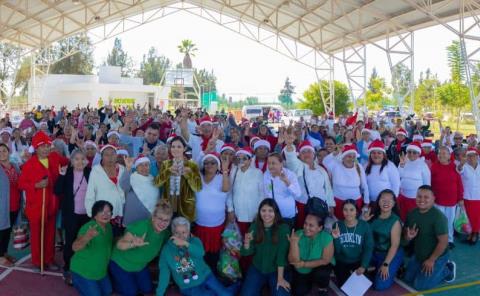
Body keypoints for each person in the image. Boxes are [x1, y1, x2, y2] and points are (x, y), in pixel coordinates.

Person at [18, 131, 69, 271]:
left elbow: (69, 162)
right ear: (36, 148)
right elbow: (21, 184)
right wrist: (36, 185)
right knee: (36, 235)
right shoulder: (29, 164)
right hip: (35, 207)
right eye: (42, 146)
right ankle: (37, 261)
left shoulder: (54, 157)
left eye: (48, 145)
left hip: (51, 205)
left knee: (50, 235)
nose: (46, 148)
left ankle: (49, 259)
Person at [156, 216, 236, 296]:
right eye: (177, 232)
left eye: (184, 232)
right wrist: (159, 294)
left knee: (226, 294)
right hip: (189, 287)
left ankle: (234, 287)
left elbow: (201, 253)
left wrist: (185, 244)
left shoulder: (194, 241)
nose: (180, 236)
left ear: (188, 232)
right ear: (172, 233)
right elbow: (164, 274)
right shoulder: (166, 250)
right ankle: (233, 287)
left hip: (206, 276)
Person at [110, 201, 173, 296]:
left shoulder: (164, 233)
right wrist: (133, 244)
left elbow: (174, 239)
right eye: (160, 218)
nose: (162, 223)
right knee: (131, 292)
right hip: (121, 263)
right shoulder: (142, 227)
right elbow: (120, 245)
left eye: (166, 220)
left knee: (147, 289)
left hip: (140, 266)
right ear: (153, 217)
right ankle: (113, 280)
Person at [402, 185, 456, 290]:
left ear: (433, 199)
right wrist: (408, 237)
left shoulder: (438, 217)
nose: (422, 200)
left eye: (426, 197)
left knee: (420, 285)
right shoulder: (411, 214)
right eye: (419, 196)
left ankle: (447, 269)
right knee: (407, 278)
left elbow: (443, 242)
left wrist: (431, 260)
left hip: (436, 256)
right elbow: (405, 236)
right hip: (419, 254)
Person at [54, 150, 92, 285]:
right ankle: (68, 268)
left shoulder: (90, 172)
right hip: (71, 214)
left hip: (87, 215)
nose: (80, 161)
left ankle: (82, 266)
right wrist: (61, 175)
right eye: (76, 159)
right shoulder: (67, 173)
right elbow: (57, 191)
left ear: (86, 161)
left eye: (82, 159)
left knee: (85, 241)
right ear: (71, 161)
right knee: (70, 242)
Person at [240, 199, 291, 296]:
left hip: (276, 270)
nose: (266, 214)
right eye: (263, 210)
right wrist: (246, 243)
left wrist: (280, 279)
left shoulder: (283, 229)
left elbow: (281, 256)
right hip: (257, 268)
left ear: (275, 212)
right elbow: (246, 253)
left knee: (281, 294)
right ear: (259, 212)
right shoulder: (254, 227)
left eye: (270, 211)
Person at [283, 134, 334, 228]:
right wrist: (289, 145)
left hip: (320, 206)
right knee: (303, 231)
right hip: (303, 207)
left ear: (314, 154)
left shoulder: (321, 169)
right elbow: (291, 160)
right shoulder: (298, 166)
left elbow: (327, 188)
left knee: (318, 231)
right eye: (303, 152)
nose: (306, 154)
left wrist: (330, 205)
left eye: (309, 151)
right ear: (299, 155)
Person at [194, 152, 230, 270]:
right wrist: (205, 150)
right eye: (206, 162)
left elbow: (225, 189)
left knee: (213, 256)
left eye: (213, 162)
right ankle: (201, 276)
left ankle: (211, 277)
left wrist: (224, 170)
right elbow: (193, 164)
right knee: (200, 254)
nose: (209, 165)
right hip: (200, 224)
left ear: (218, 165)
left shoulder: (222, 178)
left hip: (216, 225)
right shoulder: (198, 176)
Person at [70, 200, 114, 296]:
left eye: (108, 211)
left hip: (100, 271)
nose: (105, 214)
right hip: (83, 271)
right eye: (101, 211)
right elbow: (75, 247)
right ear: (94, 215)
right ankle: (75, 280)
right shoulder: (88, 228)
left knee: (108, 291)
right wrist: (87, 237)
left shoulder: (109, 227)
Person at [154, 136, 202, 222]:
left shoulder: (192, 165)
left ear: (185, 148)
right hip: (168, 208)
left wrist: (189, 174)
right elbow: (157, 183)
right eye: (173, 146)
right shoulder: (165, 164)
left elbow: (198, 187)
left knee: (183, 233)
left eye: (179, 147)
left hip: (186, 209)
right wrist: (168, 172)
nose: (175, 149)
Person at [363, 189, 403, 291]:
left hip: (389, 254)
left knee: (379, 286)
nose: (386, 202)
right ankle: (374, 268)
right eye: (383, 199)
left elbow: (394, 246)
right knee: (356, 267)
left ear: (394, 203)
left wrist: (386, 264)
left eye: (390, 200)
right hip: (373, 252)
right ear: (378, 201)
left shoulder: (395, 221)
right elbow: (364, 237)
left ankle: (394, 267)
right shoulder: (372, 215)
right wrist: (364, 222)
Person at [288, 213, 334, 296]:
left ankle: (322, 288)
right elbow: (293, 261)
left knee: (322, 273)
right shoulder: (297, 234)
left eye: (311, 225)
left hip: (318, 267)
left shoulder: (326, 237)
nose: (306, 227)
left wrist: (304, 264)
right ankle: (308, 282)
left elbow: (325, 260)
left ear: (320, 228)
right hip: (302, 270)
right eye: (305, 223)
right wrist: (294, 243)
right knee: (299, 292)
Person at [85, 144, 126, 237]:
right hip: (101, 213)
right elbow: (90, 193)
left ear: (116, 155)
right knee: (102, 240)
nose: (110, 157)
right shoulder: (96, 170)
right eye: (107, 155)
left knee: (115, 239)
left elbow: (125, 189)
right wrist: (91, 214)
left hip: (118, 213)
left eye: (112, 154)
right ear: (102, 156)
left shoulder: (122, 169)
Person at [331, 199, 374, 287]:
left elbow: (368, 247)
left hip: (358, 260)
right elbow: (337, 251)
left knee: (361, 286)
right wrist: (336, 239)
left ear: (356, 212)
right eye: (345, 210)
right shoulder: (337, 225)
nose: (348, 213)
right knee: (344, 286)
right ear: (342, 211)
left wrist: (363, 266)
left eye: (351, 210)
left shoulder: (364, 226)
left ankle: (368, 269)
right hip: (342, 260)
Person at [323, 144, 370, 219]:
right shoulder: (335, 165)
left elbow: (364, 186)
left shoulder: (359, 167)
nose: (351, 159)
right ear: (343, 157)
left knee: (353, 224)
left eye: (353, 157)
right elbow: (325, 161)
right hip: (338, 203)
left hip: (356, 203)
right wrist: (336, 152)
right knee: (340, 225)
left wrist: (366, 203)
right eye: (348, 156)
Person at [430, 146, 464, 248]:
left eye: (444, 153)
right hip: (438, 200)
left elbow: (459, 184)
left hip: (451, 201)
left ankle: (449, 240)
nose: (441, 155)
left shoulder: (455, 167)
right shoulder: (434, 166)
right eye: (440, 153)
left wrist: (460, 198)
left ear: (449, 156)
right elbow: (430, 183)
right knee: (438, 221)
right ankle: (438, 240)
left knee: (449, 221)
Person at [227, 147, 264, 236]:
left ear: (250, 160)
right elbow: (229, 192)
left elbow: (262, 194)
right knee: (238, 240)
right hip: (237, 214)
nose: (241, 161)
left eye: (244, 158)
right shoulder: (234, 172)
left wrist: (259, 212)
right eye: (239, 158)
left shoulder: (258, 173)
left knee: (252, 238)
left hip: (254, 215)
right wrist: (230, 210)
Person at [263, 152, 301, 227]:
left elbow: (298, 194)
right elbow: (266, 193)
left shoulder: (290, 175)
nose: (270, 166)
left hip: (286, 215)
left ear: (281, 164)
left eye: (273, 163)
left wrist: (287, 181)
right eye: (269, 163)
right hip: (271, 216)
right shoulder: (266, 174)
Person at [121, 155, 159, 226]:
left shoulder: (153, 180)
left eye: (146, 165)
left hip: (148, 218)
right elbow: (124, 186)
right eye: (140, 165)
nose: (144, 167)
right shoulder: (132, 177)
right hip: (133, 218)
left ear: (149, 167)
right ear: (136, 167)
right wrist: (128, 169)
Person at [398, 142, 431, 221]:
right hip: (403, 196)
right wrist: (401, 165)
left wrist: (426, 197)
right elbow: (398, 176)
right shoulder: (403, 161)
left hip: (416, 199)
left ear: (418, 153)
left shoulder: (423, 165)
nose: (411, 154)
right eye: (409, 152)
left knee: (414, 218)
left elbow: (427, 183)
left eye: (414, 152)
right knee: (402, 216)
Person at [0, 143, 21, 266]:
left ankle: (4, 251)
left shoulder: (14, 166)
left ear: (9, 152)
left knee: (8, 231)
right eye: (0, 151)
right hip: (2, 206)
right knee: (1, 231)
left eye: (4, 150)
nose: (2, 153)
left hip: (15, 204)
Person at [364, 140, 400, 205]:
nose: (376, 155)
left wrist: (393, 200)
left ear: (383, 154)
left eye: (379, 153)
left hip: (386, 202)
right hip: (370, 201)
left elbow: (396, 184)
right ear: (370, 154)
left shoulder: (390, 165)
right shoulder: (366, 166)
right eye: (373, 153)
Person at [457, 147, 480, 244]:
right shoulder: (464, 166)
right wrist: (461, 163)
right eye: (469, 156)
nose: (471, 158)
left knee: (477, 216)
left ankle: (475, 233)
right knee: (468, 216)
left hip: (478, 196)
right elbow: (459, 170)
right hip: (467, 196)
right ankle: (469, 233)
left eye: (473, 156)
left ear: (477, 156)